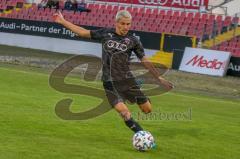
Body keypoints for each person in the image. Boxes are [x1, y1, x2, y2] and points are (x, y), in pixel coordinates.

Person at [53, 10, 173, 138]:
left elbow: (144, 60)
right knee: (123, 111)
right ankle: (141, 134)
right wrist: (62, 21)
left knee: (147, 110)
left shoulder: (133, 40)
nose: (126, 27)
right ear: (117, 23)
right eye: (123, 23)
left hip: (127, 81)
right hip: (110, 82)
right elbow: (83, 32)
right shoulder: (106, 33)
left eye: (128, 24)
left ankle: (137, 91)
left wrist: (158, 77)